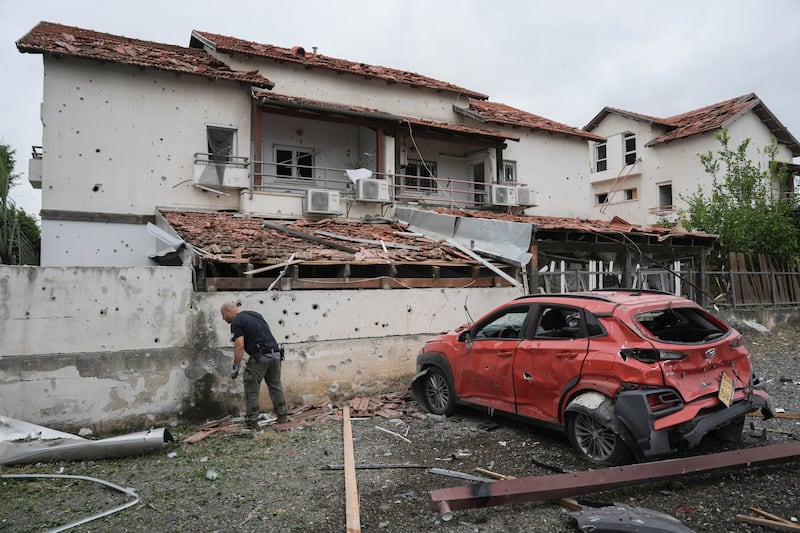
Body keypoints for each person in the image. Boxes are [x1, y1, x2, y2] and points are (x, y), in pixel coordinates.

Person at [220, 301, 289, 428]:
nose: (223, 318)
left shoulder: (237, 322)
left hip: (260, 357)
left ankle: (252, 421)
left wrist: (236, 366)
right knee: (275, 385)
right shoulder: (255, 314)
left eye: (223, 314)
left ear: (229, 311)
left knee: (251, 386)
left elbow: (239, 345)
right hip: (275, 354)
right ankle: (283, 416)